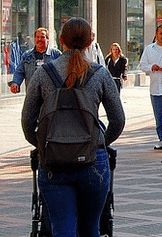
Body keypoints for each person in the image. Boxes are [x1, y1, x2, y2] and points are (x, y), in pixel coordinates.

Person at [21, 17, 124, 235]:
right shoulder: (100, 73)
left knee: (62, 228)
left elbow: (27, 120)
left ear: (61, 40)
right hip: (93, 160)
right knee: (91, 228)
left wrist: (43, 144)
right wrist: (99, 142)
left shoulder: (43, 73)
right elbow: (118, 119)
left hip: (54, 163)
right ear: (89, 42)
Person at [9, 27, 61, 94]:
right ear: (34, 39)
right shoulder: (27, 56)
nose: (39, 39)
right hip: (32, 95)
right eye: (37, 37)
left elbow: (63, 72)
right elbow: (20, 72)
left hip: (51, 96)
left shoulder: (56, 54)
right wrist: (15, 83)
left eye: (42, 37)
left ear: (47, 39)